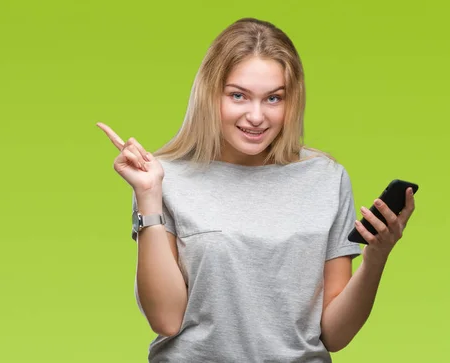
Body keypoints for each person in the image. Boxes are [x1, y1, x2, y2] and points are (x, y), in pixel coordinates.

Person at [97, 17, 416, 363]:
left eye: (273, 99)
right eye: (238, 96)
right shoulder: (164, 177)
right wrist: (148, 197)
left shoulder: (326, 178)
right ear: (210, 94)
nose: (256, 116)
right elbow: (166, 320)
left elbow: (335, 335)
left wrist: (376, 257)